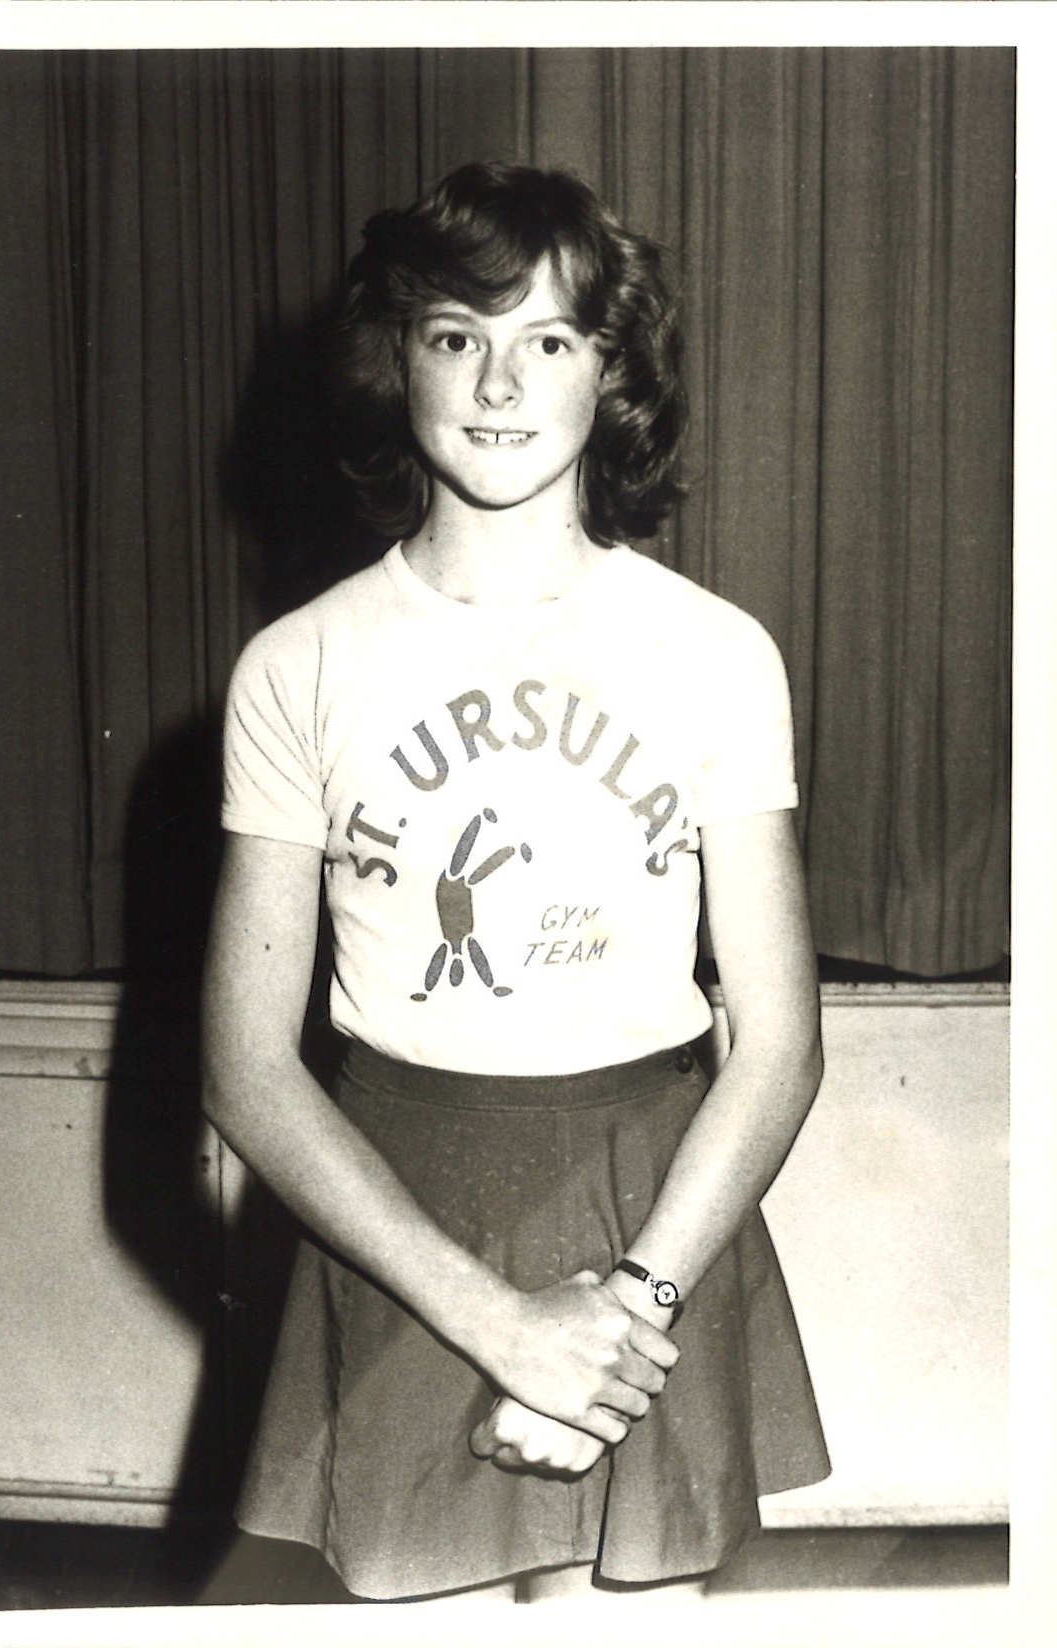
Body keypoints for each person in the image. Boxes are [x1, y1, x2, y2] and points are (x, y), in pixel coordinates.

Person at [202, 160, 830, 1606]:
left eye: (547, 339)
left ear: (610, 372)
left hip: (651, 1207)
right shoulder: (298, 665)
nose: (498, 384)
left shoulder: (713, 650)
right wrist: (500, 1325)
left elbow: (781, 1044)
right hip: (397, 1217)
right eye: (455, 335)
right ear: (398, 360)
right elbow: (246, 1068)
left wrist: (625, 1314)